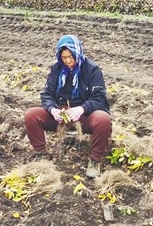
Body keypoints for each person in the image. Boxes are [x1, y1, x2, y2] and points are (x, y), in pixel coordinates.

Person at [24, 35, 112, 179]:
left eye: (71, 56)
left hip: (84, 113)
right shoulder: (57, 69)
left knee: (103, 120)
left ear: (78, 53)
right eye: (64, 57)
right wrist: (53, 110)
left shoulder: (92, 70)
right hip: (61, 114)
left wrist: (81, 109)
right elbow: (47, 94)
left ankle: (95, 160)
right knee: (31, 115)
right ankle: (41, 154)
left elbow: (99, 97)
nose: (68, 61)